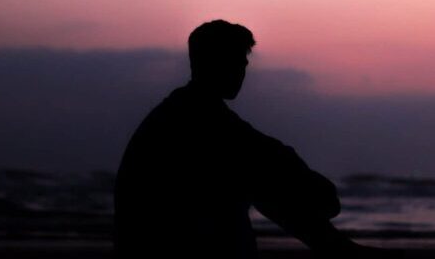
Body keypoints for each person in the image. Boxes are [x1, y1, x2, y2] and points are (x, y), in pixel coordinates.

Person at [114, 20, 402, 258]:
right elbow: (273, 160)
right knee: (254, 178)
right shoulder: (198, 119)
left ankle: (337, 249)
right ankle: (338, 250)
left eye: (243, 63)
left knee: (256, 181)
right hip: (176, 250)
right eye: (235, 62)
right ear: (210, 63)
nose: (241, 72)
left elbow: (269, 156)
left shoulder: (187, 112)